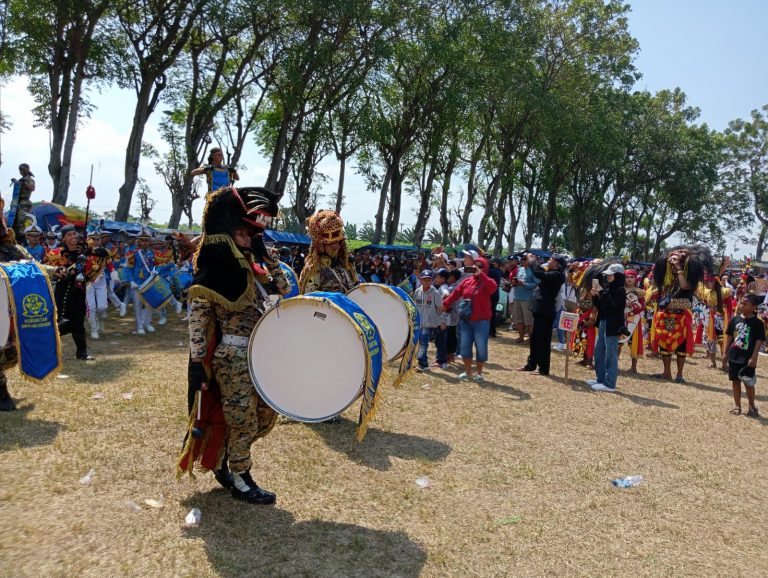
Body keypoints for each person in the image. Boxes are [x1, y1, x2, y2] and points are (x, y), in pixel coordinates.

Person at [186, 186, 290, 503]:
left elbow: (282, 289)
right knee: (241, 419)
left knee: (265, 416)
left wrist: (265, 255)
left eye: (251, 234)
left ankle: (223, 461)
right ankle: (242, 478)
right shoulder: (212, 275)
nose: (248, 238)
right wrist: (197, 366)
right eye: (243, 233)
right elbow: (198, 324)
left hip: (262, 354)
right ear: (229, 234)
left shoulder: (256, 270)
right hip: (232, 358)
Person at [652, 246, 712, 383]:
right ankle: (666, 372)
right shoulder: (668, 273)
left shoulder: (689, 273)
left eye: (680, 254)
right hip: (666, 314)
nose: (676, 255)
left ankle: (679, 374)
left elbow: (685, 287)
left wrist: (678, 268)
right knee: (665, 343)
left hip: (681, 314)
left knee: (681, 346)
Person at [442, 257, 498, 382]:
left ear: (485, 268)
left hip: (482, 321)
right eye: (475, 265)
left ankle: (479, 373)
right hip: (466, 320)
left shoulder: (488, 281)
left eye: (480, 266)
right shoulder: (467, 281)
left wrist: (482, 275)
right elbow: (456, 293)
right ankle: (468, 372)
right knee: (465, 346)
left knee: (481, 346)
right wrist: (444, 304)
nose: (477, 268)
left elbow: (493, 288)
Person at [44, 225, 93, 360]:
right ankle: (46, 347)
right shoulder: (56, 254)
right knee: (60, 320)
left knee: (78, 320)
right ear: (64, 238)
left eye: (75, 234)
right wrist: (60, 273)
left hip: (78, 290)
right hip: (63, 291)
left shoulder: (84, 252)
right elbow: (49, 271)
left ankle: (82, 353)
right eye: (69, 235)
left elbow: (91, 269)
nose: (73, 237)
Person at [518, 253, 566, 376]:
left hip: (546, 311)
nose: (549, 260)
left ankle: (543, 368)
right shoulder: (552, 273)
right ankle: (531, 364)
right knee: (535, 339)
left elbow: (539, 273)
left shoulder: (557, 275)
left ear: (557, 264)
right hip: (540, 309)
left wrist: (533, 261)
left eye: (551, 259)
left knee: (543, 341)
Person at [587, 264, 627, 392]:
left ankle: (610, 384)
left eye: (611, 274)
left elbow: (613, 307)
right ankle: (601, 379)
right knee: (598, 351)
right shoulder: (609, 288)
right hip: (604, 321)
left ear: (617, 275)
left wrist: (601, 293)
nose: (608, 276)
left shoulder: (620, 290)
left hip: (613, 324)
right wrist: (595, 295)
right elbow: (602, 306)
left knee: (611, 354)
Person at [723, 294, 765, 417]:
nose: (741, 305)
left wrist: (754, 357)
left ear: (753, 307)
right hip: (734, 355)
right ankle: (737, 406)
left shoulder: (757, 323)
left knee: (748, 383)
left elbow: (758, 341)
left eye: (745, 304)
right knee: (735, 381)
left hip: (747, 358)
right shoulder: (735, 320)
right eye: (741, 303)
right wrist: (725, 353)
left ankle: (751, 406)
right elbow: (730, 336)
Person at [299, 210, 359, 294]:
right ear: (320, 245)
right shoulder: (313, 269)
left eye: (338, 242)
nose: (335, 246)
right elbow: (308, 302)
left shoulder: (347, 264)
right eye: (330, 243)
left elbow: (357, 291)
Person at [414, 270, 448, 371]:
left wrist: (443, 321)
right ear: (421, 280)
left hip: (430, 323)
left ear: (431, 280)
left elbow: (441, 308)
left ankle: (422, 363)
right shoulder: (417, 292)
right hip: (420, 322)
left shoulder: (435, 293)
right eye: (424, 279)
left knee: (424, 341)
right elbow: (415, 306)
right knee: (420, 342)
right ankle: (422, 361)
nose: (426, 282)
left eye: (429, 280)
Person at [701, 276, 733, 370]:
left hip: (722, 319)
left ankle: (724, 364)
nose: (707, 284)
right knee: (711, 341)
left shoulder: (725, 291)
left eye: (709, 282)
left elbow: (730, 307)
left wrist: (729, 319)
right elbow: (705, 305)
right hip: (710, 319)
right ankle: (713, 362)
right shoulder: (707, 292)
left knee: (723, 342)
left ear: (714, 282)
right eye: (706, 282)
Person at [620, 269, 645, 373]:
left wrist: (630, 313)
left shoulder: (640, 292)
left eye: (631, 277)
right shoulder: (620, 290)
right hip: (620, 317)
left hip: (634, 319)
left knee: (633, 343)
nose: (629, 279)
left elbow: (642, 306)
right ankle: (614, 364)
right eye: (627, 277)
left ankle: (633, 367)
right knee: (618, 341)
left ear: (635, 278)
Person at [511, 256, 538, 342]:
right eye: (522, 259)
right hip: (517, 297)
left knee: (529, 320)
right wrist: (514, 283)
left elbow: (536, 284)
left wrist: (524, 285)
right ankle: (521, 337)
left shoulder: (533, 270)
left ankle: (531, 338)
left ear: (529, 261)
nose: (522, 260)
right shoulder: (519, 269)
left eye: (524, 259)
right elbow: (517, 280)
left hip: (527, 299)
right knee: (519, 319)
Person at [10, 163, 35, 242]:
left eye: (21, 170)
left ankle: (22, 239)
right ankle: (15, 237)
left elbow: (32, 187)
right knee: (14, 222)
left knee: (21, 222)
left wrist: (24, 182)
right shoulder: (22, 179)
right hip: (17, 203)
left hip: (24, 202)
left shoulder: (29, 179)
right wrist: (16, 182)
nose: (20, 172)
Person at [487, 258, 504, 337]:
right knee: (492, 312)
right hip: (495, 294)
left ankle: (490, 331)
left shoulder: (490, 271)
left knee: (489, 312)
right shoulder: (499, 271)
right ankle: (492, 331)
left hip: (490, 294)